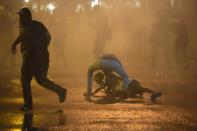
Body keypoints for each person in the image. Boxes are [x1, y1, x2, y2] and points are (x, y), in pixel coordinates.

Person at [11, 7, 66, 111]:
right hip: (43, 57)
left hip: (31, 57)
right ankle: (60, 91)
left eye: (21, 16)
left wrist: (14, 44)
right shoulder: (39, 24)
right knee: (42, 80)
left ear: (23, 17)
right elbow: (48, 37)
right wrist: (43, 47)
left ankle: (28, 104)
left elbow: (23, 35)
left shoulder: (25, 26)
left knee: (25, 80)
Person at [92, 72, 162, 102]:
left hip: (130, 83)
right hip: (128, 86)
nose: (96, 82)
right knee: (137, 93)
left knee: (141, 90)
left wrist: (92, 93)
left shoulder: (106, 78)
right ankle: (150, 95)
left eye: (96, 80)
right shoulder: (107, 80)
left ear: (100, 77)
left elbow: (101, 87)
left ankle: (154, 93)